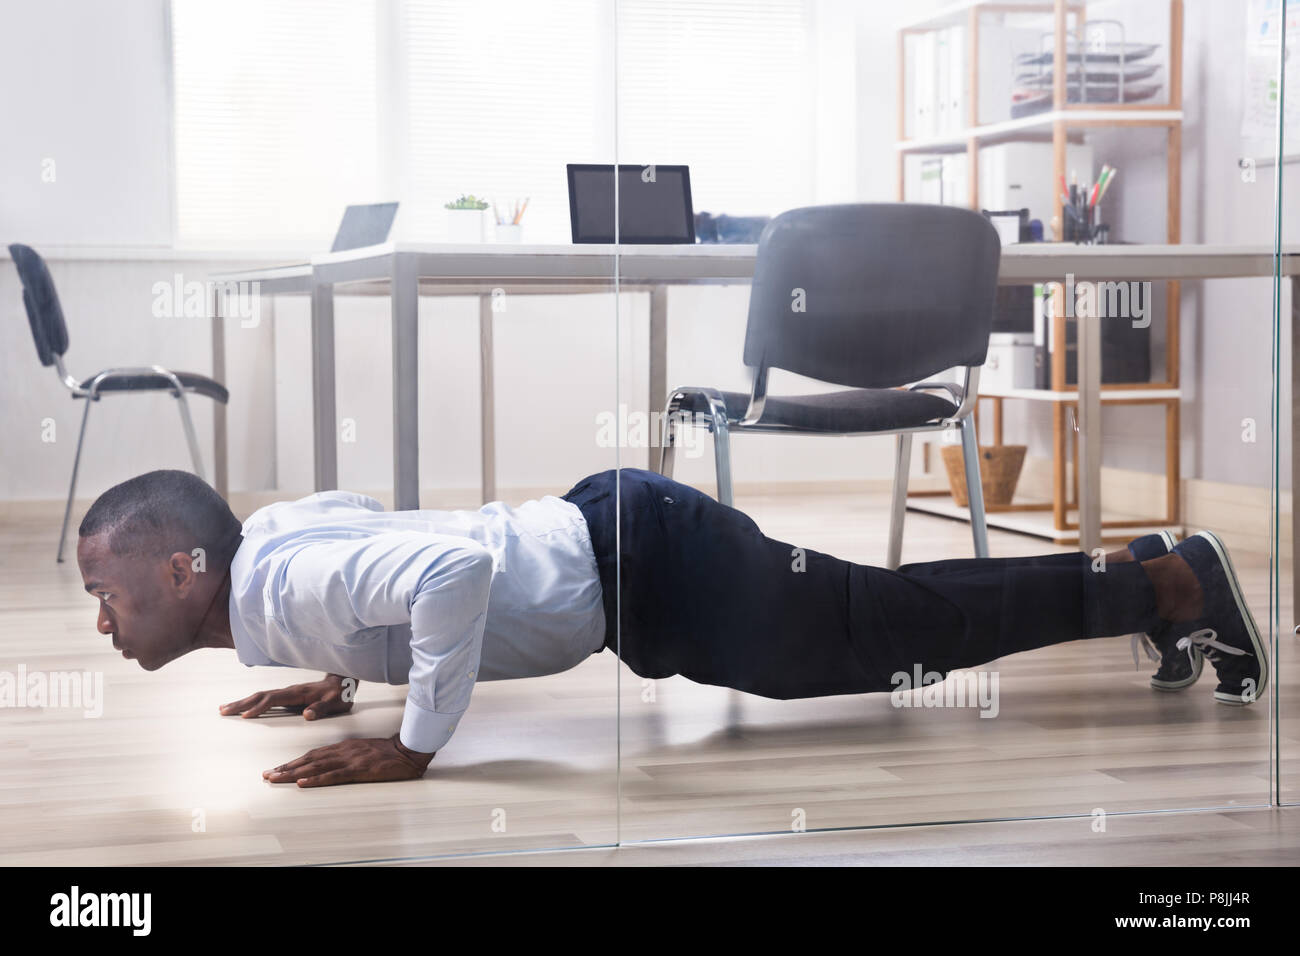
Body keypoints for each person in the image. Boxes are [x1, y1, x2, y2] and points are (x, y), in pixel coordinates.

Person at [75, 468, 1267, 788]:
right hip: (629, 543)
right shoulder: (270, 555)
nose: (101, 618)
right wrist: (340, 670)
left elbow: (441, 568)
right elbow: (364, 535)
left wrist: (416, 742)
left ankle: (1163, 589)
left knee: (891, 634)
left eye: (110, 590)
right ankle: (1145, 578)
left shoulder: (276, 593)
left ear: (186, 569)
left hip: (650, 570)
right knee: (884, 623)